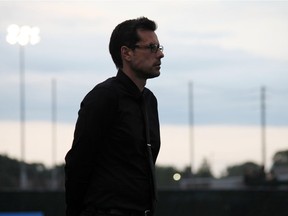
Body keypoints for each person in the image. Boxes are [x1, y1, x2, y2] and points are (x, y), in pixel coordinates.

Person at [65, 17, 164, 216]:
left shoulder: (149, 100)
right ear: (126, 52)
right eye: (152, 47)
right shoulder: (103, 97)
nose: (160, 54)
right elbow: (78, 163)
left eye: (160, 47)